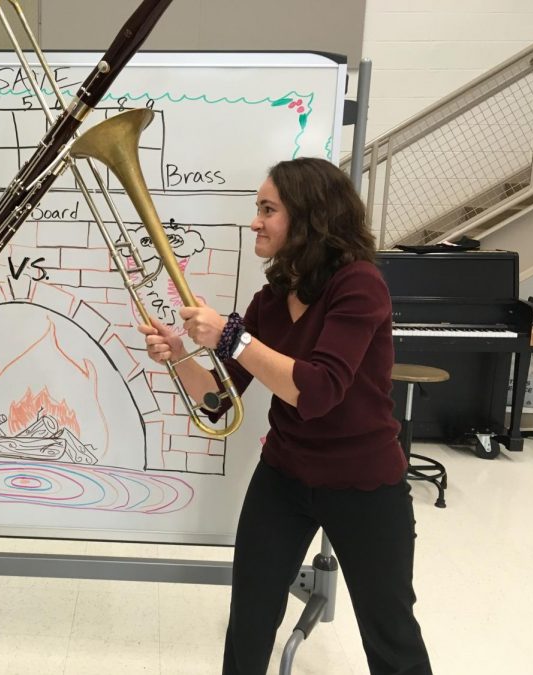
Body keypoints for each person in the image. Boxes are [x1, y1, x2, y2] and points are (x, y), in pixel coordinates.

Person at [139, 157, 432, 675]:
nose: (255, 221)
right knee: (249, 618)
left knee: (390, 631)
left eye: (267, 209)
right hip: (285, 475)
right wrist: (181, 353)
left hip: (364, 482)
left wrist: (231, 336)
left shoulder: (360, 285)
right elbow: (221, 398)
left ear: (310, 216)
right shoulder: (269, 302)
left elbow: (317, 390)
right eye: (259, 208)